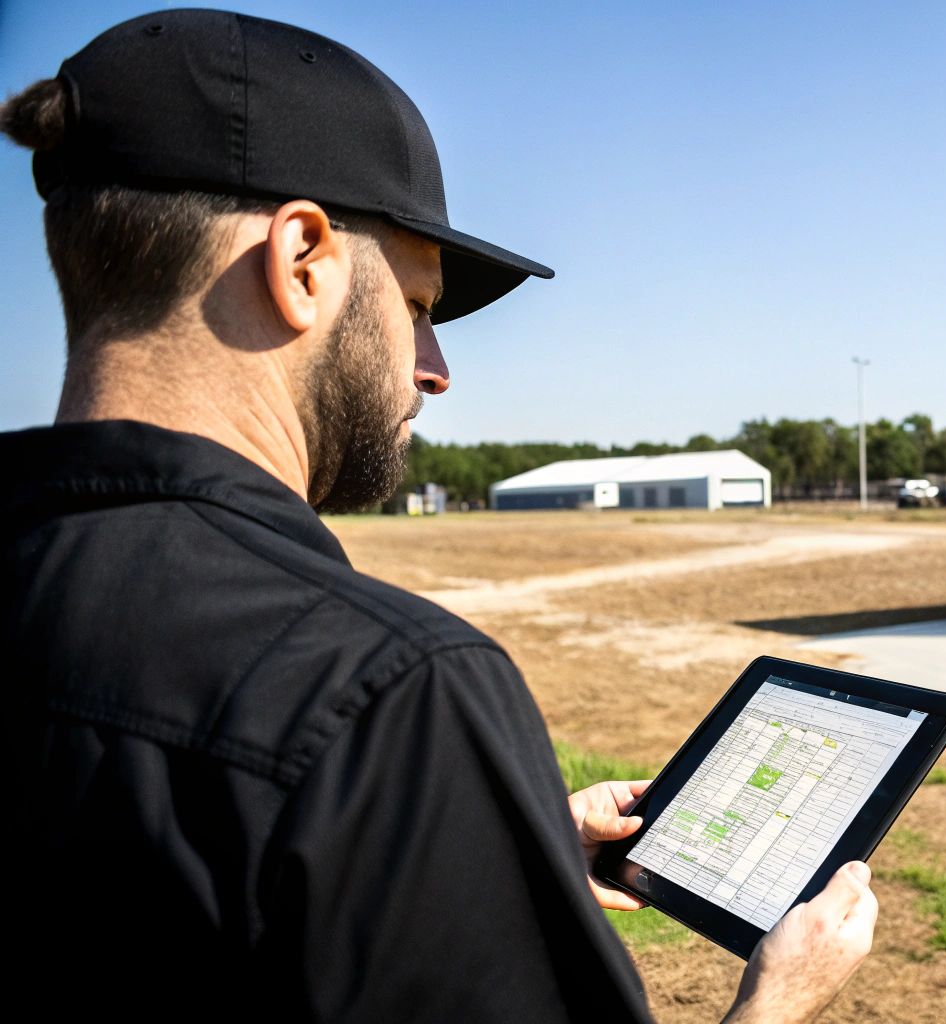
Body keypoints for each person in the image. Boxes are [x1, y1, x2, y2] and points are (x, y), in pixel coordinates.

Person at [0, 9, 874, 1022]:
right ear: (302, 262)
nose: (436, 367)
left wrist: (453, 848)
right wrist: (775, 1003)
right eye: (416, 303)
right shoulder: (387, 697)